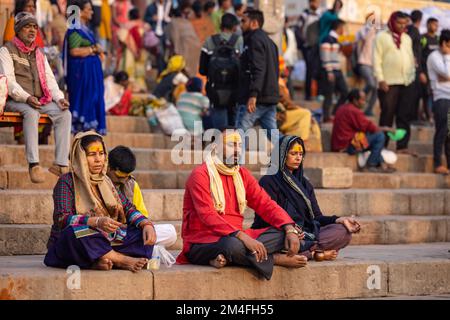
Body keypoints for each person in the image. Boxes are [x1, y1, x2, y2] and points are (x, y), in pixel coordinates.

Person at [177, 127, 307, 280]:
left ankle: (230, 258)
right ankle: (275, 259)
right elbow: (207, 215)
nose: (238, 150)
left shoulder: (242, 174)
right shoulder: (200, 175)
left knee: (285, 234)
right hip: (204, 241)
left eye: (240, 145)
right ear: (216, 147)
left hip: (238, 236)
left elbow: (265, 203)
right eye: (232, 145)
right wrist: (243, 238)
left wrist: (289, 227)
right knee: (231, 246)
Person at [44, 132, 156, 272]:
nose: (98, 160)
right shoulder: (67, 181)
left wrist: (146, 224)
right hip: (74, 241)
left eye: (101, 153)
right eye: (92, 155)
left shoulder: (106, 181)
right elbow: (62, 219)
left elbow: (128, 208)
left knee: (142, 233)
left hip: (106, 238)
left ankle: (99, 260)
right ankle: (121, 260)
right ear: (81, 156)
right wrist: (96, 222)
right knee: (74, 233)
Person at [253, 135, 359, 260]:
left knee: (344, 232)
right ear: (281, 155)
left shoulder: (305, 184)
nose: (298, 157)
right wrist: (290, 229)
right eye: (293, 153)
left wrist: (340, 220)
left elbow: (317, 217)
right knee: (284, 238)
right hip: (281, 232)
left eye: (301, 154)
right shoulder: (268, 181)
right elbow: (267, 217)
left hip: (307, 234)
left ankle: (306, 252)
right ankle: (313, 253)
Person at [0, 12, 71, 184]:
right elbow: (8, 82)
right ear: (18, 30)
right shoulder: (6, 50)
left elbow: (50, 80)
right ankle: (34, 164)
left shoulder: (39, 54)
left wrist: (59, 98)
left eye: (34, 27)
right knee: (31, 112)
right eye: (27, 26)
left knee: (64, 114)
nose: (32, 30)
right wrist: (26, 97)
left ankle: (60, 163)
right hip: (15, 101)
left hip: (39, 100)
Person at [107, 145, 177, 247]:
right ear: (108, 167)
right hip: (108, 233)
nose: (123, 181)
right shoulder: (101, 183)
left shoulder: (131, 184)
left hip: (129, 232)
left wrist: (147, 226)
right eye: (118, 177)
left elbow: (139, 214)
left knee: (170, 232)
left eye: (126, 177)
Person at [374, 11, 416, 154]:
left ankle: (402, 145)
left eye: (405, 23)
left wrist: (412, 77)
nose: (402, 26)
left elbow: (410, 58)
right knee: (387, 114)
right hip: (388, 82)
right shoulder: (381, 37)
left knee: (404, 116)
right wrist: (380, 79)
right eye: (399, 23)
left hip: (406, 82)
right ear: (392, 21)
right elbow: (376, 59)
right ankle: (382, 145)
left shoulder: (407, 38)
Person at [236, 9, 280, 142]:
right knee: (276, 138)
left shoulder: (254, 40)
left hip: (256, 99)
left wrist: (253, 95)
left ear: (254, 23)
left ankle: (237, 163)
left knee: (238, 138)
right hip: (269, 97)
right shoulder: (270, 42)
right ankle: (289, 157)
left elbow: (258, 69)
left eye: (244, 21)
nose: (241, 25)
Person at [64, 0, 106, 135]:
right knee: (84, 105)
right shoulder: (75, 29)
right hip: (81, 75)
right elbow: (74, 51)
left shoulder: (86, 29)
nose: (92, 12)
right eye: (89, 9)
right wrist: (93, 49)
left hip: (91, 74)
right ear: (80, 12)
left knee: (93, 101)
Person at [331, 89, 396, 173]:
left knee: (372, 139)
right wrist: (387, 129)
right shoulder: (353, 111)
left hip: (343, 144)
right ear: (355, 100)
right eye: (362, 99)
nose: (364, 102)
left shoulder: (343, 108)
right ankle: (371, 164)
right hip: (348, 146)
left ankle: (381, 164)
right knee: (380, 136)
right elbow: (370, 127)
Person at [199, 13, 243, 129]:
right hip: (235, 89)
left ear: (220, 25)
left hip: (215, 90)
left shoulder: (210, 41)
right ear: (234, 27)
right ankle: (233, 144)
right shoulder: (239, 41)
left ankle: (220, 143)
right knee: (234, 123)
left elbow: (202, 70)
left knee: (219, 124)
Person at [427, 29, 450, 175]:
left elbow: (446, 75)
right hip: (440, 99)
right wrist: (447, 55)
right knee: (442, 131)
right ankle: (437, 163)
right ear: (444, 43)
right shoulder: (434, 56)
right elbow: (447, 73)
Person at [319, 19, 348, 123]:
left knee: (345, 92)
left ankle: (334, 113)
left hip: (337, 70)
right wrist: (329, 71)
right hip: (331, 71)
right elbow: (325, 56)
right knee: (329, 95)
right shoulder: (327, 39)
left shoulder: (336, 40)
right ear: (339, 27)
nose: (343, 30)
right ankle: (326, 117)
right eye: (343, 28)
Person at [117, 8, 149, 92]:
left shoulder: (126, 26)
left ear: (130, 16)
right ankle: (140, 88)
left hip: (129, 52)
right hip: (141, 51)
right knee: (139, 72)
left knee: (129, 69)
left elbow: (121, 38)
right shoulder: (144, 25)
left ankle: (128, 88)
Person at [166, 3, 202, 77]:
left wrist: (176, 52)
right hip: (196, 46)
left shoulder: (173, 22)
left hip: (186, 46)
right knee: (192, 70)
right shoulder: (187, 22)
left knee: (183, 70)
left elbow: (174, 38)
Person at [296, 0, 322, 101]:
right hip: (307, 47)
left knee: (318, 69)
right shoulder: (304, 14)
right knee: (309, 70)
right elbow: (297, 30)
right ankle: (307, 95)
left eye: (317, 2)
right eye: (314, 2)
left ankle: (318, 94)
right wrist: (304, 43)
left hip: (317, 46)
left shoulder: (320, 15)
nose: (315, 4)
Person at [407, 10, 428, 123]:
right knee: (415, 92)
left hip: (414, 66)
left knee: (416, 92)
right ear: (420, 19)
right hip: (414, 67)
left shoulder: (410, 29)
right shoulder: (413, 30)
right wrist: (418, 68)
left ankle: (413, 116)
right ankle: (412, 117)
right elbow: (410, 46)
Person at [356, 13, 378, 116]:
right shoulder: (363, 30)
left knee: (376, 88)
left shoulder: (379, 33)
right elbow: (361, 40)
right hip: (363, 62)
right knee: (371, 84)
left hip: (375, 65)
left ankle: (369, 109)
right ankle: (358, 97)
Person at [420, 18, 440, 123]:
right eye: (433, 24)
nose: (435, 27)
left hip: (436, 73)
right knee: (426, 94)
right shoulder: (423, 38)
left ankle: (431, 114)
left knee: (434, 94)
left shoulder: (438, 39)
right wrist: (421, 72)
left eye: (437, 25)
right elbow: (419, 55)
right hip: (425, 71)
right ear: (428, 25)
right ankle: (428, 116)